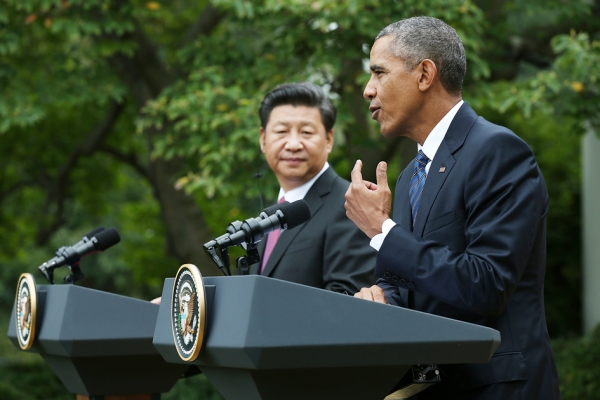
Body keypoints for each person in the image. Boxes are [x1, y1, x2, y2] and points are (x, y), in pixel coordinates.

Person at [344, 16, 560, 399]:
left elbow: (486, 284)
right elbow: (408, 284)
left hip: (497, 388)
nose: (367, 90)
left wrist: (382, 230)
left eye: (378, 73)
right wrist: (377, 299)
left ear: (425, 74)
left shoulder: (498, 151)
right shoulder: (412, 171)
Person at [249, 82, 376, 294]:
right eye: (281, 131)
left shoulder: (351, 207)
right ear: (263, 139)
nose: (293, 144)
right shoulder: (266, 217)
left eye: (306, 132)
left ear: (328, 139)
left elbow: (348, 298)